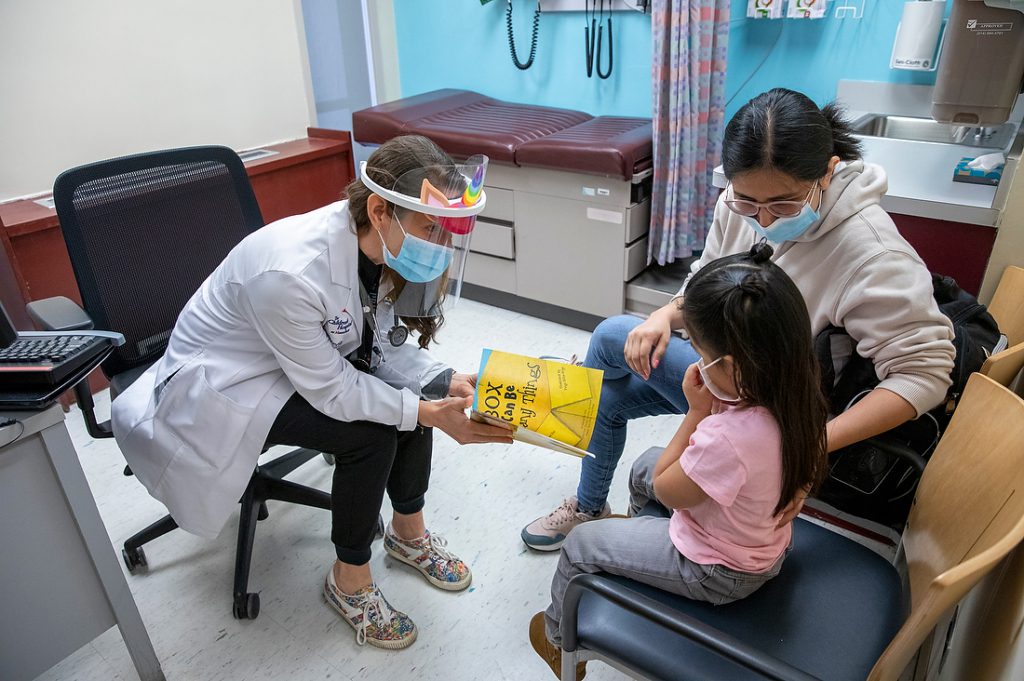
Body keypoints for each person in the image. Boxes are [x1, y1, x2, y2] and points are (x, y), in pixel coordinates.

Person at [112, 135, 513, 650]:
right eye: (430, 228)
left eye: (448, 232)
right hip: (226, 384)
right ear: (380, 209)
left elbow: (381, 344)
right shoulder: (292, 274)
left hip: (290, 361)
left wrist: (441, 381)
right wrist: (426, 411)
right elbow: (335, 391)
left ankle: (408, 536)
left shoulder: (375, 242)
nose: (441, 245)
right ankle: (350, 584)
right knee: (374, 432)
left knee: (408, 398)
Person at [521, 87, 956, 551]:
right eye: (748, 202)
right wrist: (667, 314)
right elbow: (707, 282)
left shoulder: (871, 252)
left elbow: (925, 374)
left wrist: (807, 446)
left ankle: (566, 391)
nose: (763, 220)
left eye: (783, 205)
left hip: (776, 407)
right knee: (611, 384)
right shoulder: (738, 205)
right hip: (731, 371)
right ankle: (589, 499)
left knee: (610, 339)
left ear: (827, 172)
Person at [529, 244, 829, 679]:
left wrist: (696, 411)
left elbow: (668, 489)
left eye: (703, 356)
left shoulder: (727, 434)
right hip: (759, 540)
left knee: (581, 544)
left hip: (716, 570)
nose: (698, 363)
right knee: (642, 465)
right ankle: (634, 559)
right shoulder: (797, 392)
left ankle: (558, 640)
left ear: (730, 365)